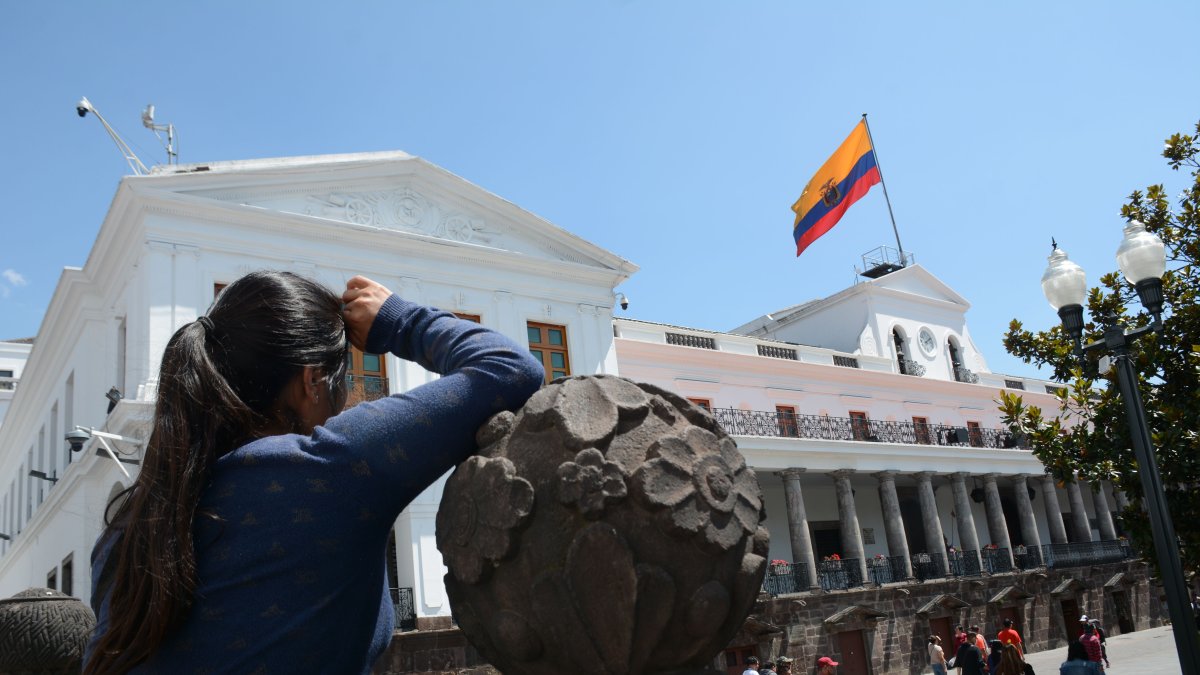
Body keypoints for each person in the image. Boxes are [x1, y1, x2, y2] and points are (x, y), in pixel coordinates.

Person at [81, 272, 545, 674]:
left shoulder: (131, 523)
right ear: (312, 381)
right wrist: (398, 320)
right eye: (344, 379)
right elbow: (510, 368)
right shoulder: (329, 467)